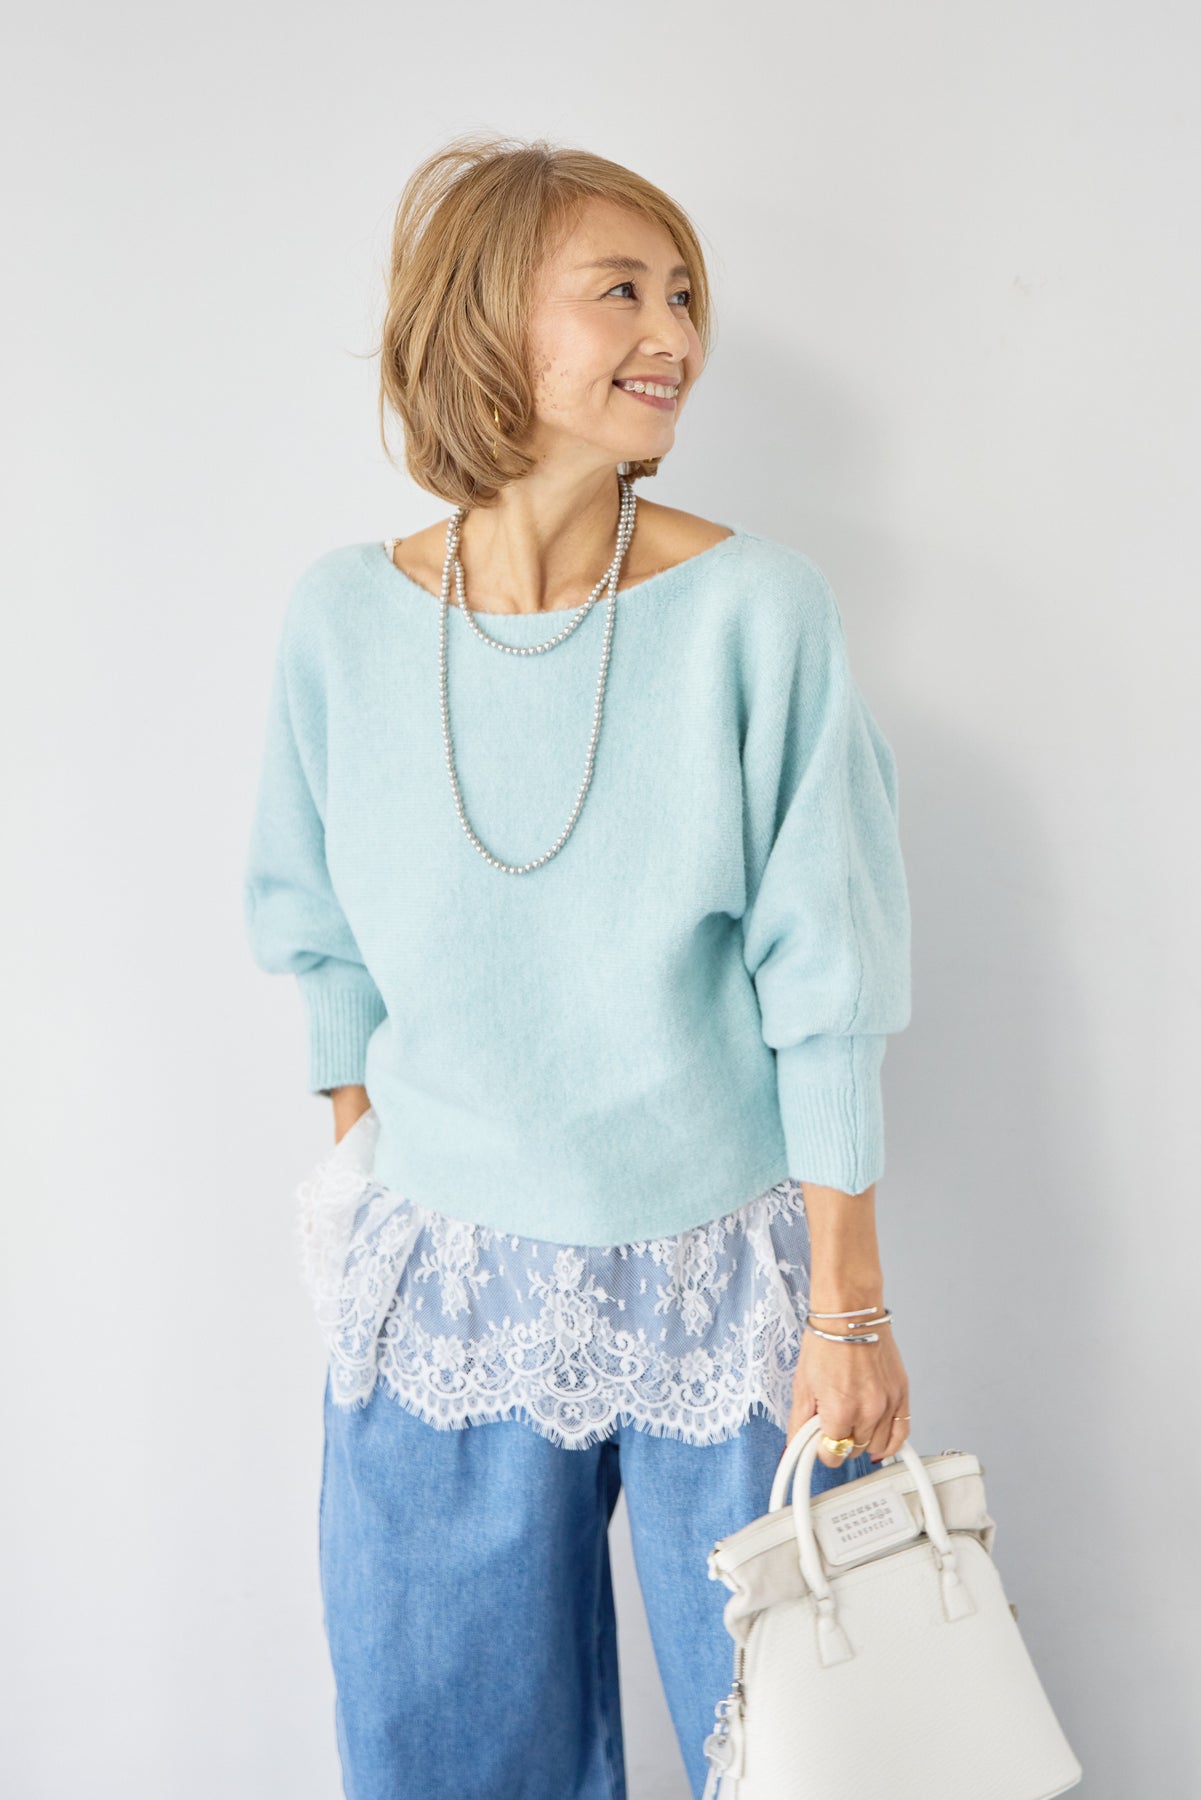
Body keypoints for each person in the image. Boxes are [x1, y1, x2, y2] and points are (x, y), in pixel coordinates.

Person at [243, 132, 913, 1800]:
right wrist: (365, 1184)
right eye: (620, 290)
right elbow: (318, 933)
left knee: (811, 1765)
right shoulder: (340, 621)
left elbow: (827, 973)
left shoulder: (759, 611)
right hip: (443, 1293)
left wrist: (847, 1309)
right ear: (485, 320)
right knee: (452, 1766)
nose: (671, 333)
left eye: (682, 294)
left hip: (722, 1291)